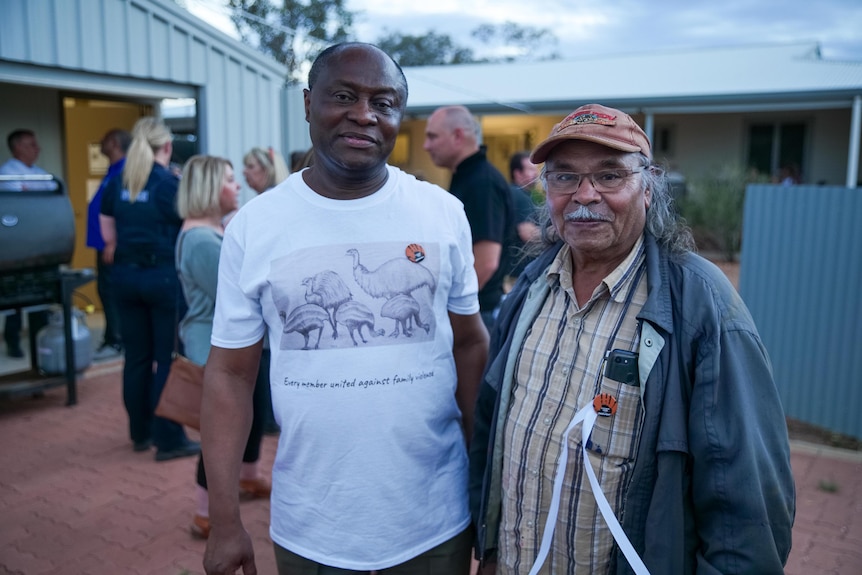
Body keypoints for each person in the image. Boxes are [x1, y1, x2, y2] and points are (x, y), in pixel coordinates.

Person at [469, 104, 795, 574]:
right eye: (563, 177)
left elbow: (745, 501)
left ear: (648, 187)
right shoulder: (532, 287)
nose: (584, 195)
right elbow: (492, 428)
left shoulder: (700, 305)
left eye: (609, 176)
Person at [201, 42, 489, 575]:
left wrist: (485, 487)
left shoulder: (442, 213)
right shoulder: (255, 226)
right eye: (344, 96)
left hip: (435, 520)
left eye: (384, 102)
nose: (365, 114)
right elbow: (230, 375)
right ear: (309, 104)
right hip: (312, 526)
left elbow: (471, 343)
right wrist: (224, 520)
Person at [174, 155, 271, 540]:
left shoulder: (210, 232)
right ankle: (204, 512)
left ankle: (248, 478)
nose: (238, 186)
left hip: (228, 347)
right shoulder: (201, 240)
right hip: (214, 350)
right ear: (210, 189)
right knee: (222, 433)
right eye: (230, 180)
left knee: (249, 420)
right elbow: (238, 294)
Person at [100, 116, 200, 461]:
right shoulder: (169, 184)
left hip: (125, 279)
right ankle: (169, 439)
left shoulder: (116, 183)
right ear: (167, 147)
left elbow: (108, 238)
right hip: (162, 279)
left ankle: (140, 433)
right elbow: (190, 228)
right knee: (167, 359)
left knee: (136, 359)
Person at [423, 105, 514, 330]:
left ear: (458, 136)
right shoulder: (467, 176)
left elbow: (486, 262)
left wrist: (452, 310)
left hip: (476, 314)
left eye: (432, 137)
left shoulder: (482, 182)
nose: (426, 146)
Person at [1, 129, 53, 357]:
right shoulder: (7, 173)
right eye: (32, 144)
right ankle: (13, 341)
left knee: (39, 296)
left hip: (41, 246)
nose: (37, 148)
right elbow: (21, 206)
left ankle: (38, 342)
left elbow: (51, 201)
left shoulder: (41, 174)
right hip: (16, 248)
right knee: (15, 297)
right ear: (18, 147)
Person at [87, 129, 131, 359]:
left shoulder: (124, 171)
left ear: (113, 143)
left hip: (112, 246)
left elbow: (122, 210)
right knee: (106, 291)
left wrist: (113, 242)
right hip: (103, 245)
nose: (100, 143)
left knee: (112, 292)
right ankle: (111, 337)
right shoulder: (112, 170)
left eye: (103, 140)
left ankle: (116, 341)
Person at [505, 151, 541, 285]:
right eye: (531, 169)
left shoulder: (514, 193)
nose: (536, 173)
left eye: (536, 169)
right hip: (517, 275)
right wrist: (558, 235)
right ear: (517, 173)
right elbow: (527, 233)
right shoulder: (519, 196)